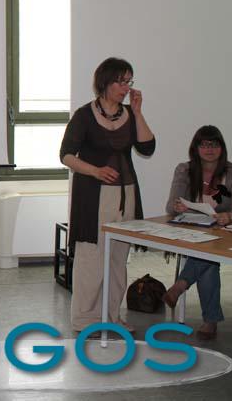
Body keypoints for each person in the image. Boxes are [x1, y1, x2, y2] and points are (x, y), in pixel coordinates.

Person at [60, 57, 155, 333]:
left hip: (126, 194)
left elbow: (147, 147)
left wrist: (137, 112)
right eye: (120, 81)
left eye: (129, 81)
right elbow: (66, 155)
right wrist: (95, 171)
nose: (126, 87)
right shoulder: (84, 115)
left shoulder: (129, 114)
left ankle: (112, 317)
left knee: (118, 259)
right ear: (105, 82)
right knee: (91, 259)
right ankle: (85, 320)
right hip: (93, 196)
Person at [163, 125, 232, 340]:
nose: (209, 149)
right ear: (195, 148)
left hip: (223, 230)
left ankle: (181, 285)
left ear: (222, 148)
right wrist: (178, 206)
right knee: (207, 258)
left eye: (214, 144)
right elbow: (171, 205)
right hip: (193, 228)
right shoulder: (184, 169)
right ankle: (210, 320)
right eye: (204, 145)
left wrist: (231, 216)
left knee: (207, 254)